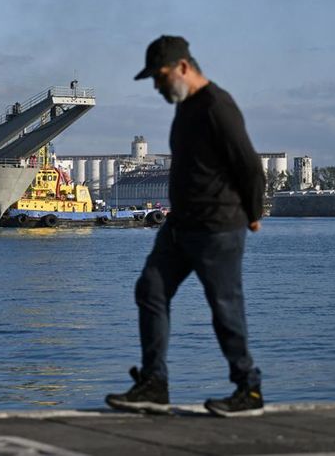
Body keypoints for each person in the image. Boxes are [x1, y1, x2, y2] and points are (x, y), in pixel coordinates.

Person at [105, 35, 265, 417]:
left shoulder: (217, 106)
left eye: (159, 77)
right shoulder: (186, 107)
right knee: (150, 290)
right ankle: (154, 385)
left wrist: (254, 212)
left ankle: (249, 390)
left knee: (225, 307)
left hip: (218, 226)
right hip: (179, 226)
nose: (157, 86)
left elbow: (249, 165)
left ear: (182, 67)